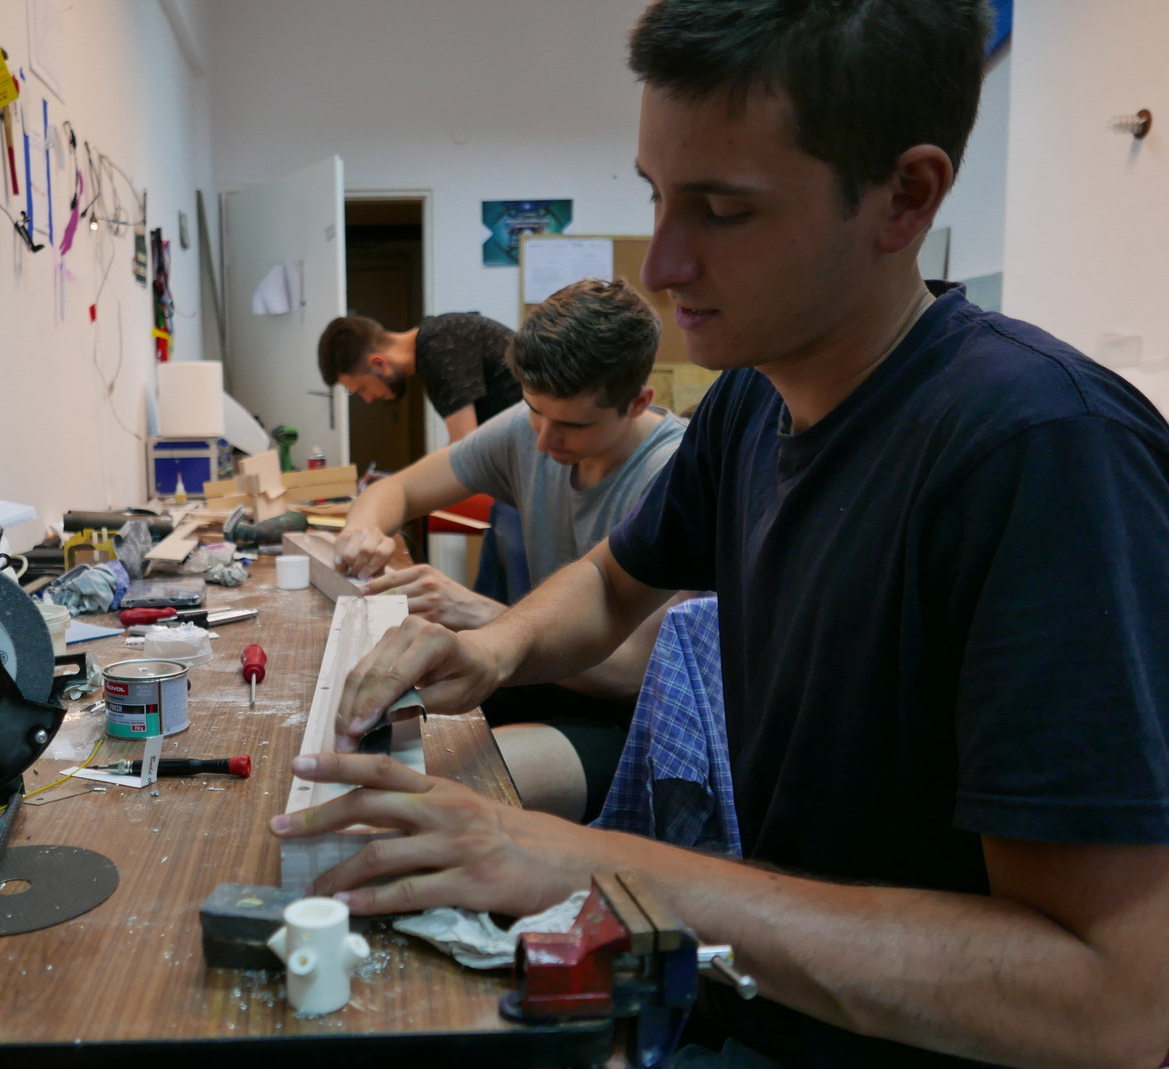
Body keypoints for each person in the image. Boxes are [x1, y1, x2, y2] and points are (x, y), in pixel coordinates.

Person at [269, 2, 1169, 1067]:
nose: (660, 264)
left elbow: (1111, 1002)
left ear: (905, 196)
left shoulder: (1043, 452)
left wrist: (596, 863)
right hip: (774, 998)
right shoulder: (752, 400)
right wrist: (494, 647)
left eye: (722, 210)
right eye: (657, 196)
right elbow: (615, 578)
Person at [332, 279, 688, 822]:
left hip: (641, 720)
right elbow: (395, 490)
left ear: (638, 402)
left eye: (571, 424)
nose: (543, 441)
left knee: (420, 790)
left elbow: (632, 671)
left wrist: (482, 616)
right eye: (534, 410)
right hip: (553, 678)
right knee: (367, 729)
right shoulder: (533, 426)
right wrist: (363, 532)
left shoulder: (676, 474)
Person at [317, 312, 521, 442]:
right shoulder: (431, 347)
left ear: (378, 363)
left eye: (362, 388)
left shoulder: (440, 347)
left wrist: (400, 486)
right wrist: (399, 481)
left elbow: (466, 450)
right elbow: (459, 448)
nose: (368, 398)